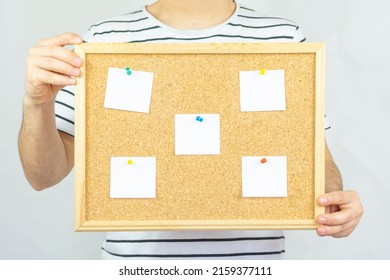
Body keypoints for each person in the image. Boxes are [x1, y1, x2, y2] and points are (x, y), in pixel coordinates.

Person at [19, 0, 363, 259]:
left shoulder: (284, 41)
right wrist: (37, 103)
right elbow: (43, 176)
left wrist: (333, 202)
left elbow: (317, 158)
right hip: (136, 268)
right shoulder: (104, 41)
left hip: (253, 267)